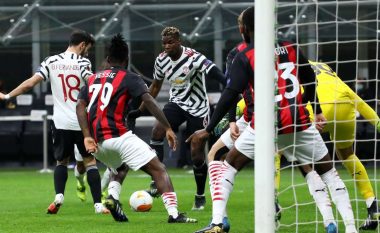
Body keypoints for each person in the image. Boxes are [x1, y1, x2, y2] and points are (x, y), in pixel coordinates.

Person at [187, 7, 357, 233]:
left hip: (264, 126)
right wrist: (316, 110)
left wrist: (208, 128)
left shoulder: (243, 55)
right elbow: (309, 78)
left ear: (243, 29)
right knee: (328, 173)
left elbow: (230, 93)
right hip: (299, 124)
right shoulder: (291, 48)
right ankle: (349, 227)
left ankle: (218, 222)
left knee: (228, 165)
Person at [76, 33, 197, 223]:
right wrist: (167, 128)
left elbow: (80, 106)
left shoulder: (92, 79)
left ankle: (112, 199)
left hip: (96, 144)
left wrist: (85, 136)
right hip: (118, 136)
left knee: (120, 167)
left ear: (108, 59)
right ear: (127, 60)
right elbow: (149, 100)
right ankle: (174, 214)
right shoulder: (130, 77)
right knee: (158, 169)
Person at [0, 30, 108, 215]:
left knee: (61, 162)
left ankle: (59, 196)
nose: (87, 53)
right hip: (82, 122)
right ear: (82, 45)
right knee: (90, 162)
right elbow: (91, 81)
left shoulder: (51, 61)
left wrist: (8, 95)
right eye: (87, 49)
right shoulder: (83, 62)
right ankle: (98, 204)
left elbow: (30, 84)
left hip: (60, 122)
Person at [129, 26, 226, 210]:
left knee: (196, 152)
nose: (166, 46)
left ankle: (200, 195)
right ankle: (157, 180)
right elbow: (155, 87)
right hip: (177, 103)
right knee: (157, 131)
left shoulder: (194, 57)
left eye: (170, 42)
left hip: (198, 108)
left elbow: (215, 71)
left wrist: (230, 85)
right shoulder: (161, 60)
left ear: (179, 41)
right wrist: (140, 110)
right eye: (164, 43)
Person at [276, 60, 380, 230]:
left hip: (316, 106)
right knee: (346, 154)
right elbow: (350, 93)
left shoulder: (289, 65)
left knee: (280, 150)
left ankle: (274, 200)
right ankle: (373, 206)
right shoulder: (322, 65)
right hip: (345, 102)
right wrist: (377, 121)